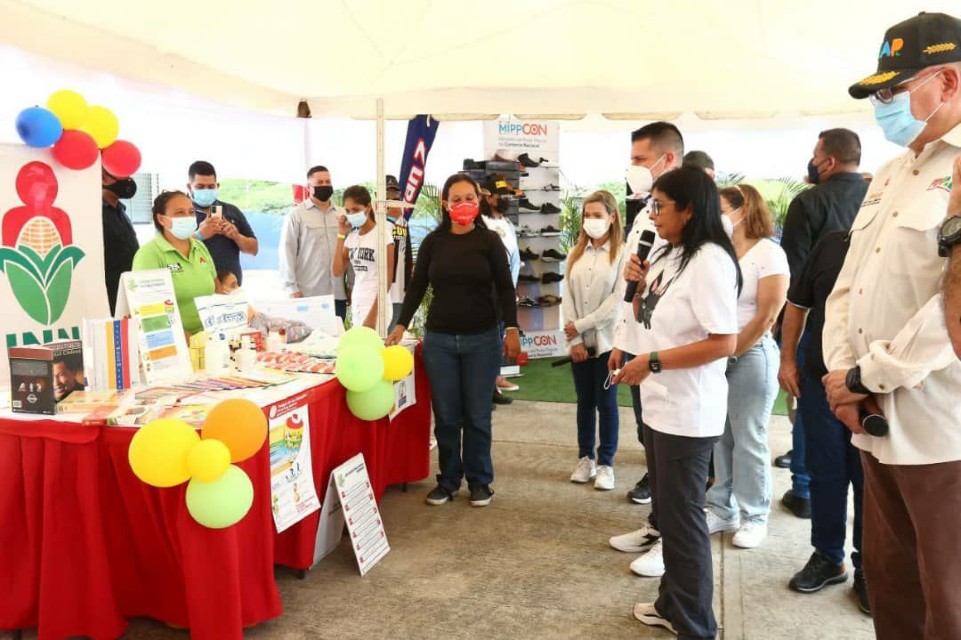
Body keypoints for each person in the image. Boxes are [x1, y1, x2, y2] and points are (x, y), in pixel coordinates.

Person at [825, 12, 961, 638]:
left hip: (941, 428)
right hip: (872, 419)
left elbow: (950, 311)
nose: (883, 104)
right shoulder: (891, 173)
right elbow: (848, 284)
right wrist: (839, 376)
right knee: (889, 583)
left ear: (949, 82)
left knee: (950, 600)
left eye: (893, 89)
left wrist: (866, 374)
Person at [612, 166, 740, 638]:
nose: (652, 214)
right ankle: (673, 603)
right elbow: (649, 314)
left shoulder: (710, 260)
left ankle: (695, 624)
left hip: (689, 409)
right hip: (660, 403)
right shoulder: (668, 252)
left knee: (684, 522)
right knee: (669, 513)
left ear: (689, 209)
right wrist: (634, 297)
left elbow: (723, 342)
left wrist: (655, 362)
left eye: (660, 206)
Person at [387, 173, 520, 508]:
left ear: (480, 201)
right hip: (440, 341)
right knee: (446, 416)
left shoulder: (490, 242)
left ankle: (480, 482)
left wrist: (513, 329)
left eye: (469, 198)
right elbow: (417, 286)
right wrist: (401, 324)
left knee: (477, 416)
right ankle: (447, 481)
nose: (463, 204)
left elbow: (506, 287)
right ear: (445, 204)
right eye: (456, 199)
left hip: (482, 340)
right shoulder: (434, 242)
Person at [777, 127, 867, 520]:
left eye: (815, 155)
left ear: (827, 161)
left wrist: (787, 347)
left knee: (819, 439)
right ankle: (863, 565)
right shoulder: (875, 199)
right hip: (870, 342)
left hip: (819, 335)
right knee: (864, 465)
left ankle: (802, 490)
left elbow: (792, 278)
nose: (811, 162)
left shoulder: (808, 202)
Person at [608, 122, 683, 578]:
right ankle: (658, 523)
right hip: (639, 344)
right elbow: (634, 280)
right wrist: (622, 340)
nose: (633, 169)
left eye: (639, 160)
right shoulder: (646, 211)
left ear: (667, 159)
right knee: (650, 440)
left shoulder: (689, 216)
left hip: (669, 354)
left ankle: (674, 538)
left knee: (678, 453)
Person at [779, 231, 868, 614]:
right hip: (819, 380)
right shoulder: (832, 244)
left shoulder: (903, 244)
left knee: (869, 481)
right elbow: (796, 305)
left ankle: (869, 566)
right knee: (825, 472)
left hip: (874, 389)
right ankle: (829, 556)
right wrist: (787, 360)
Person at [703, 185, 788, 550]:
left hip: (751, 355)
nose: (716, 216)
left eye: (721, 209)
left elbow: (768, 314)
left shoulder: (769, 253)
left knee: (748, 436)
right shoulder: (720, 251)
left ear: (742, 208)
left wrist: (734, 351)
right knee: (720, 435)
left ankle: (755, 515)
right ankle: (721, 507)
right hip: (717, 354)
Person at [561, 190, 626, 491]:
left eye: (598, 215)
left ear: (612, 218)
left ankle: (606, 463)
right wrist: (574, 339)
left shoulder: (621, 253)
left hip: (607, 342)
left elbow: (617, 300)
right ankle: (585, 457)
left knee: (607, 403)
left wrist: (581, 326)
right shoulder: (575, 254)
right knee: (584, 402)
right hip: (578, 342)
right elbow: (567, 297)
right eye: (587, 215)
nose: (591, 221)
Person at [132, 191, 216, 336]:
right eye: (180, 213)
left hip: (210, 337)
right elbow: (150, 313)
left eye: (191, 212)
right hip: (172, 343)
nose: (188, 217)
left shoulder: (200, 247)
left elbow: (217, 290)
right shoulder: (149, 255)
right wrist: (191, 343)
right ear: (161, 219)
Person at [279, 165, 349, 320]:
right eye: (320, 182)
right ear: (309, 187)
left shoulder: (342, 214)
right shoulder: (296, 215)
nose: (325, 185)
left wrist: (351, 286)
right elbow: (287, 252)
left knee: (336, 341)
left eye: (328, 181)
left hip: (337, 294)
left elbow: (350, 252)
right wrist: (292, 289)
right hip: (308, 296)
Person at [481, 174, 522, 402]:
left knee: (498, 335)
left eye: (507, 194)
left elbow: (514, 258)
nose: (504, 198)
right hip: (487, 291)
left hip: (504, 291)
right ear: (488, 197)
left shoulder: (507, 224)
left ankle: (494, 383)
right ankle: (487, 387)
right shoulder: (483, 224)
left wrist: (512, 287)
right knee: (488, 338)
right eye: (500, 195)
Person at [332, 185, 395, 330]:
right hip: (358, 301)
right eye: (348, 211)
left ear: (367, 208)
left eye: (356, 209)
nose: (351, 214)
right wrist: (341, 235)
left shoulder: (382, 235)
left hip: (377, 306)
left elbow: (387, 279)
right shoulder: (352, 237)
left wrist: (373, 316)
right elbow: (337, 271)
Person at [187, 161, 258, 285]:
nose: (206, 190)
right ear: (189, 187)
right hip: (196, 288)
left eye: (211, 187)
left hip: (231, 287)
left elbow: (253, 249)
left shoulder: (232, 211)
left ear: (217, 186)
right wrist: (199, 235)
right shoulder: (182, 213)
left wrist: (237, 236)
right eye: (200, 187)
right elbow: (170, 249)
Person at [101, 169, 140, 315]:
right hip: (109, 298)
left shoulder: (119, 210)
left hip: (129, 292)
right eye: (122, 173)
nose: (128, 179)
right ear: (103, 177)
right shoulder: (95, 214)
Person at [386, 175, 413, 332]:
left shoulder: (403, 220)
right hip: (385, 288)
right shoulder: (376, 219)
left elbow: (406, 252)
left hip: (400, 288)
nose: (392, 196)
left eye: (395, 192)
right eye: (388, 192)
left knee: (395, 325)